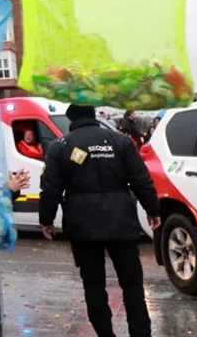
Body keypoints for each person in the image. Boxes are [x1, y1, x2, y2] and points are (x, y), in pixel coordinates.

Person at [39, 104, 160, 337]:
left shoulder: (60, 146)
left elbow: (50, 188)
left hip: (82, 226)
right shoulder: (120, 141)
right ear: (93, 115)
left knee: (94, 285)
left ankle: (105, 334)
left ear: (70, 119)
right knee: (132, 284)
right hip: (121, 221)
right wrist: (152, 209)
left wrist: (47, 219)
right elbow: (141, 179)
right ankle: (141, 333)